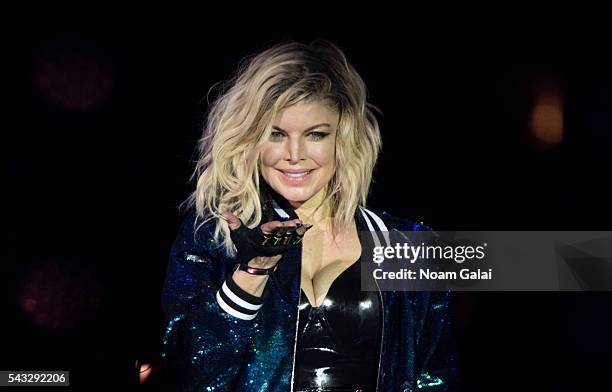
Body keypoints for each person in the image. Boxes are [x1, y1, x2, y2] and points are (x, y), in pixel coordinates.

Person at [161, 39, 460, 391]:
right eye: (275, 134)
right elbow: (190, 376)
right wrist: (252, 272)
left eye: (315, 134)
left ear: (344, 140)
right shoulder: (212, 238)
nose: (294, 154)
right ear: (250, 141)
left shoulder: (409, 244)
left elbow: (435, 378)